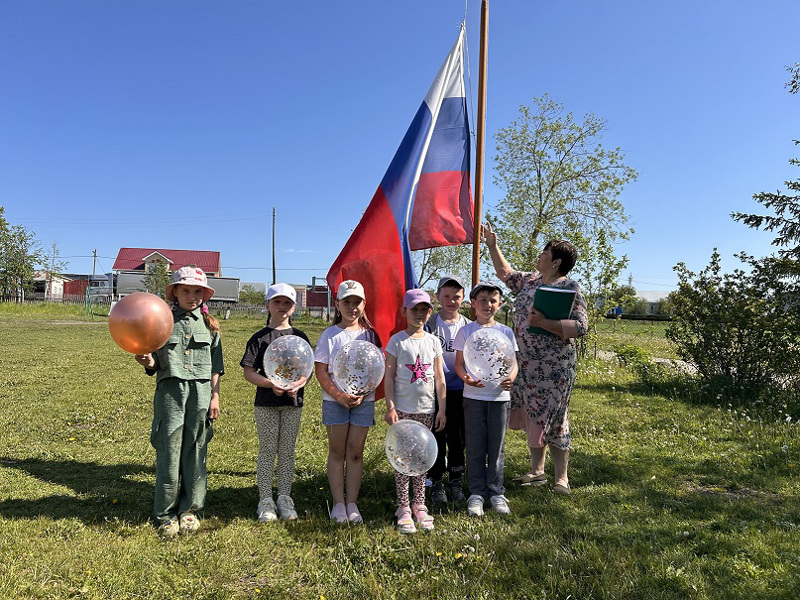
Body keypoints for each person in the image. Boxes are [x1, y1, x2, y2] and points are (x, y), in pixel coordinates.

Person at [483, 222, 588, 495]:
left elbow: (580, 327)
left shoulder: (570, 288)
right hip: (526, 364)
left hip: (554, 368)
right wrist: (493, 245)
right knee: (533, 414)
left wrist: (546, 323)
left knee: (555, 416)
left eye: (545, 252)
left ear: (556, 262)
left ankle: (561, 478)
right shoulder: (530, 280)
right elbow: (505, 273)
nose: (540, 255)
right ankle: (537, 470)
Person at [134, 266, 224, 537]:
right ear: (174, 292)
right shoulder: (160, 321)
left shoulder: (210, 326)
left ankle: (190, 511)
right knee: (169, 450)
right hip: (170, 393)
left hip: (201, 394)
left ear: (205, 294)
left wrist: (215, 397)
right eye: (186, 290)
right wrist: (148, 361)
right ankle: (165, 513)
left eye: (198, 291)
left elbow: (216, 367)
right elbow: (154, 362)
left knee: (196, 449)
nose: (192, 296)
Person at [240, 283, 311, 522]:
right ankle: (265, 500)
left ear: (294, 306)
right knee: (268, 450)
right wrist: (270, 384)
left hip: (293, 404)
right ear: (267, 305)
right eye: (277, 302)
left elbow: (306, 370)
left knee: (287, 451)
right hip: (266, 404)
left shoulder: (299, 338)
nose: (282, 307)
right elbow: (248, 371)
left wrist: (297, 385)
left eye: (287, 303)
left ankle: (284, 497)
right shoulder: (259, 338)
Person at [314, 280, 382, 524]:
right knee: (337, 452)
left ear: (364, 304)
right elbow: (321, 371)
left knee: (355, 453)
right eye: (347, 302)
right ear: (337, 304)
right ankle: (338, 504)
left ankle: (352, 503)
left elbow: (377, 368)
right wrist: (339, 395)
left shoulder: (371, 335)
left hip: (364, 401)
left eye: (357, 302)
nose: (352, 307)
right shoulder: (329, 335)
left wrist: (365, 391)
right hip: (335, 401)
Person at [453, 282, 519, 517]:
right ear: (473, 304)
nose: (488, 304)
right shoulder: (466, 332)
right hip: (473, 397)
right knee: (475, 446)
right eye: (483, 300)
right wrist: (466, 379)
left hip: (500, 398)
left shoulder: (506, 332)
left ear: (499, 304)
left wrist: (510, 379)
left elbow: (513, 364)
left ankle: (496, 492)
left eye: (493, 300)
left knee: (496, 446)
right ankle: (477, 493)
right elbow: (459, 365)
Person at [384, 289, 446, 534]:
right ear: (404, 312)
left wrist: (442, 409)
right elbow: (388, 376)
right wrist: (390, 406)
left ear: (430, 312)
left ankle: (419, 504)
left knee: (422, 458)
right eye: (414, 309)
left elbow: (439, 378)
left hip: (427, 409)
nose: (419, 314)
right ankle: (403, 506)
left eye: (424, 309)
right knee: (403, 459)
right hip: (403, 410)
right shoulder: (397, 341)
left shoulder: (433, 342)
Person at [424, 276, 471, 504]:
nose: (451, 301)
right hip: (434, 391)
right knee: (436, 434)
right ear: (437, 297)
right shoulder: (429, 324)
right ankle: (436, 481)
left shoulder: (468, 326)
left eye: (457, 297)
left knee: (458, 437)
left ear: (463, 299)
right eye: (446, 296)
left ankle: (455, 479)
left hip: (461, 390)